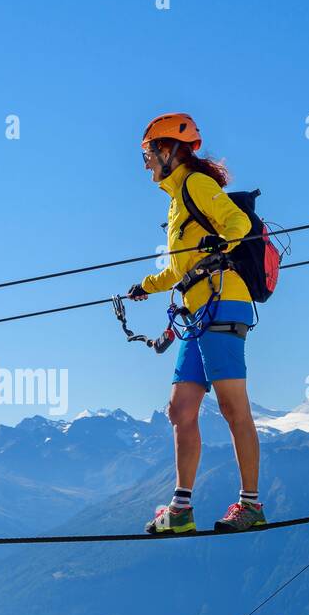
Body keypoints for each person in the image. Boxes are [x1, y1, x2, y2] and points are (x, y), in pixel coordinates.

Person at [128, 112, 266, 535]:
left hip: (224, 302)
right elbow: (179, 268)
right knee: (180, 409)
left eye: (148, 153)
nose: (146, 163)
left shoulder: (196, 185)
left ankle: (251, 505)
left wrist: (219, 240)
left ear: (168, 150)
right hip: (197, 312)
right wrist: (146, 286)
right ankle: (181, 510)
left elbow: (237, 223)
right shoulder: (175, 200)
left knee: (231, 406)